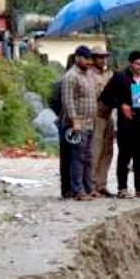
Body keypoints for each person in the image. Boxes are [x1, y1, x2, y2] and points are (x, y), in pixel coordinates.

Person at [101, 50, 140, 198]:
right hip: (126, 124)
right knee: (125, 156)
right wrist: (121, 105)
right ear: (131, 63)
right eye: (138, 64)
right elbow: (105, 96)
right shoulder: (120, 77)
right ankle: (122, 188)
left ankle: (139, 188)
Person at [61, 45, 99, 200]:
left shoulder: (89, 74)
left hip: (90, 122)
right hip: (77, 123)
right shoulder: (71, 76)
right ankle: (77, 190)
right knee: (77, 157)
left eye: (90, 58)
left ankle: (89, 188)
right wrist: (74, 120)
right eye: (85, 58)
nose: (89, 61)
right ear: (77, 57)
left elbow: (91, 95)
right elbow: (68, 100)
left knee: (88, 157)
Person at [48, 52, 76, 199]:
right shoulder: (63, 82)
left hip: (66, 122)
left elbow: (52, 102)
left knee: (68, 157)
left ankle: (68, 189)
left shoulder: (60, 81)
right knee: (71, 157)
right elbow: (53, 102)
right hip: (67, 123)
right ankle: (69, 188)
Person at [90, 45, 116, 196]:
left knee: (108, 150)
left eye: (104, 56)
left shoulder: (109, 73)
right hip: (96, 115)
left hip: (109, 114)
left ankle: (102, 183)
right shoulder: (89, 74)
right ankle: (92, 184)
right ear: (93, 58)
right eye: (99, 57)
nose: (102, 59)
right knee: (96, 150)